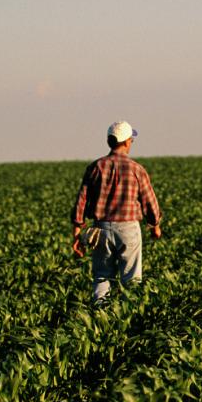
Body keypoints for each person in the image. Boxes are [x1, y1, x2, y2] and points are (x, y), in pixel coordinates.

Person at [71, 120, 162, 304]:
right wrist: (155, 225)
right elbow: (149, 201)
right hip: (129, 229)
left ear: (109, 142)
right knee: (131, 280)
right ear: (127, 142)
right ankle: (129, 319)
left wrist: (77, 233)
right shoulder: (137, 169)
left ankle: (99, 316)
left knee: (102, 277)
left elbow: (82, 199)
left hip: (101, 230)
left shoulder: (96, 167)